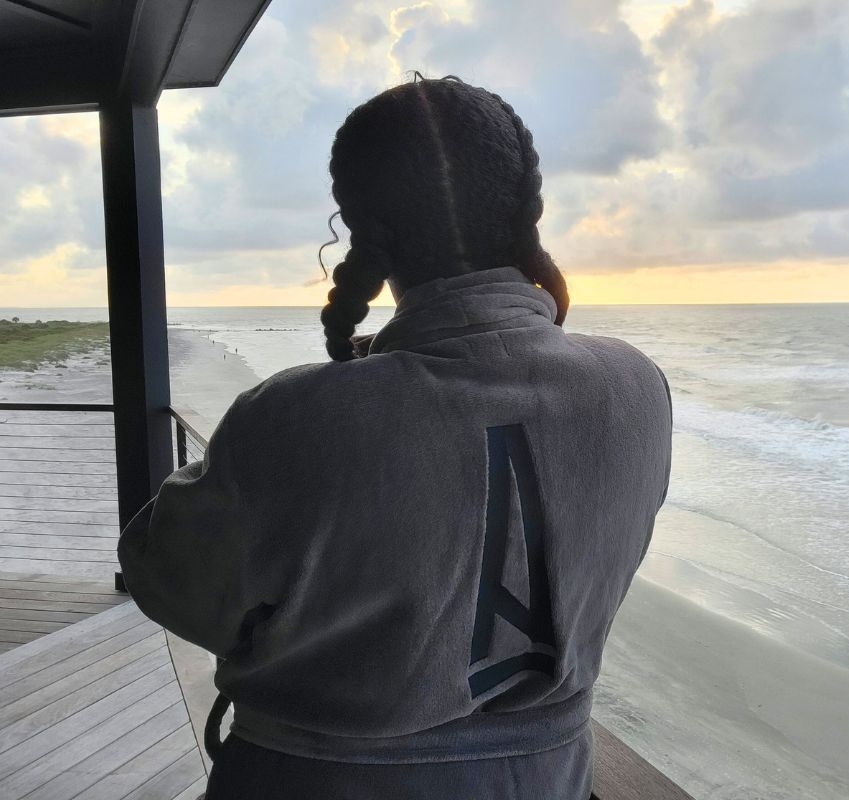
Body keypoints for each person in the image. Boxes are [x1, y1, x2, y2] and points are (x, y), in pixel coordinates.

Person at [116, 75, 673, 799]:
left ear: (362, 233)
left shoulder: (295, 417)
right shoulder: (635, 390)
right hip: (546, 779)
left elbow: (168, 581)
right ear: (522, 209)